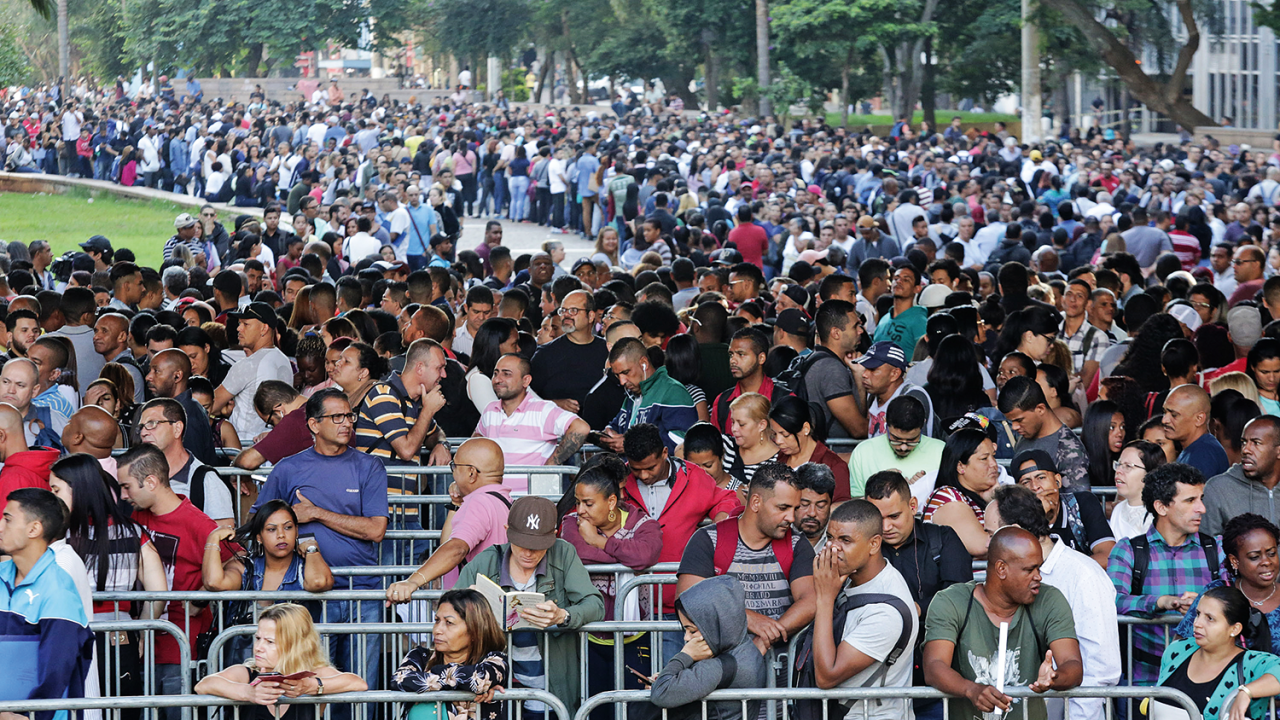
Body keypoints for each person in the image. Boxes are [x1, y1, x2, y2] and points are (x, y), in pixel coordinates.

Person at [250, 388, 389, 694]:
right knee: (308, 686)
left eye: (349, 416)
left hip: (361, 592)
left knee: (360, 689)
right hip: (304, 593)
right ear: (314, 425)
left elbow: (376, 530)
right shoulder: (288, 468)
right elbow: (261, 523)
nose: (346, 423)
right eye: (336, 417)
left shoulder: (369, 466)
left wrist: (315, 513)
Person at [454, 496, 605, 715]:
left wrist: (563, 616)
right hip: (499, 687)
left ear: (553, 537)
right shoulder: (485, 562)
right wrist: (471, 608)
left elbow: (595, 604)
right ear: (507, 531)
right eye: (522, 544)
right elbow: (451, 613)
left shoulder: (563, 554)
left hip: (555, 683)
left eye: (537, 546)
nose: (528, 553)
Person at [118, 444, 236, 717]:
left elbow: (238, 563)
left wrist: (203, 593)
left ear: (150, 482)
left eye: (127, 487)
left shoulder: (197, 522)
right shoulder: (137, 515)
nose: (124, 496)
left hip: (182, 648)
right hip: (143, 646)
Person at [984, 485, 1121, 720]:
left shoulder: (1083, 575)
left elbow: (1100, 667)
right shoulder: (1004, 574)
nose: (987, 544)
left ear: (1014, 531)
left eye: (991, 534)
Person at [922, 526, 1084, 720]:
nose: (1038, 576)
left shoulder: (1049, 599)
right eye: (1029, 569)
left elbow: (1072, 664)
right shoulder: (952, 601)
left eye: (1039, 568)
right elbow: (934, 666)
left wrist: (1054, 678)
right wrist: (970, 690)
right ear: (1001, 569)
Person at [677, 463, 817, 655]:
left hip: (782, 666)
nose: (792, 517)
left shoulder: (797, 543)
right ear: (756, 502)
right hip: (722, 667)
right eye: (783, 507)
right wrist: (748, 619)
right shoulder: (709, 539)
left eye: (795, 508)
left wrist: (765, 638)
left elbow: (810, 600)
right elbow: (687, 601)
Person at [558, 455, 663, 709]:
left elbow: (647, 554)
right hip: (589, 638)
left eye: (588, 503)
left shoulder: (642, 522)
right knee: (596, 711)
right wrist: (624, 554)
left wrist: (599, 542)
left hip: (636, 639)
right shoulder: (572, 523)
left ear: (612, 501)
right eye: (578, 502)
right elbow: (576, 552)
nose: (580, 510)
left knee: (635, 710)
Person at [1108, 462, 1223, 685]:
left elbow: (1235, 600)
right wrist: (1160, 603)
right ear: (1161, 507)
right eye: (1190, 501)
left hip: (1209, 676)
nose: (1202, 508)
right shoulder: (1129, 551)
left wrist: (1203, 605)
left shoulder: (1216, 549)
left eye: (1201, 499)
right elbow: (1112, 600)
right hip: (1144, 678)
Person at [805, 499, 918, 720]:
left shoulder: (886, 612)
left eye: (845, 540)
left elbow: (827, 676)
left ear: (874, 544)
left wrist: (825, 599)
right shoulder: (848, 578)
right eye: (830, 538)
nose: (832, 548)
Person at [0, 487, 96, 720]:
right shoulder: (2, 574)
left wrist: (29, 715)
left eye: (8, 520)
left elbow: (56, 669)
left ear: (34, 529)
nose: (1, 527)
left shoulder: (59, 590)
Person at [201, 500, 334, 660]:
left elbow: (319, 582)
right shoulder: (246, 567)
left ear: (297, 531)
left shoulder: (304, 567)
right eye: (271, 529)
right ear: (259, 537)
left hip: (293, 665)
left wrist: (311, 547)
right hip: (246, 664)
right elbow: (213, 582)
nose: (281, 535)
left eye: (288, 527)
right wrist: (213, 539)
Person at [385, 438, 511, 602]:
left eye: (454, 466)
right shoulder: (505, 501)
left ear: (471, 473)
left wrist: (412, 581)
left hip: (471, 608)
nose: (452, 472)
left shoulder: (478, 503)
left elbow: (456, 548)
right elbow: (448, 543)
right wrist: (456, 504)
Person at [195, 603, 367, 718]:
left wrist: (310, 686)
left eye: (269, 642)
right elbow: (203, 685)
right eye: (258, 638)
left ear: (295, 644)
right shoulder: (247, 673)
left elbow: (358, 683)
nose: (258, 647)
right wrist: (248, 693)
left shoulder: (313, 673)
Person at [649, 574, 767, 720]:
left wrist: (685, 655)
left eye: (692, 630)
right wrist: (671, 676)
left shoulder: (716, 667)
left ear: (714, 624)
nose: (686, 638)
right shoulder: (747, 650)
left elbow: (661, 693)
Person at [1156, 586, 1280, 720]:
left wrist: (1246, 692)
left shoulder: (1251, 663)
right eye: (1198, 614)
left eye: (1210, 618)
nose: (1197, 623)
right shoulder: (1178, 649)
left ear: (1235, 629)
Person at [475, 353, 591, 490]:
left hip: (532, 502)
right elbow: (476, 442)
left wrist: (551, 465)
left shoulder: (542, 410)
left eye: (506, 374)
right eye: (496, 373)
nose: (497, 379)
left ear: (526, 381)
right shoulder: (490, 410)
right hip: (494, 499)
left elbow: (581, 428)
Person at [391, 589, 508, 720]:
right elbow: (399, 679)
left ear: (475, 630)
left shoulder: (495, 660)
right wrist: (461, 683)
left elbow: (478, 679)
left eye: (449, 623)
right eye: (437, 620)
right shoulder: (421, 656)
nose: (437, 630)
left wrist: (427, 679)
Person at [1174, 513, 1280, 651]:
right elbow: (1181, 649)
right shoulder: (1216, 593)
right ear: (1234, 561)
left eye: (1271, 553)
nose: (1266, 562)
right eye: (1254, 557)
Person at [136, 398, 235, 526]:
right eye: (141, 427)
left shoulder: (206, 482)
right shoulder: (135, 477)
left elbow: (223, 540)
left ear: (177, 428)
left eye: (153, 423)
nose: (144, 432)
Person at [1009, 449, 1115, 566]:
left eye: (1041, 477)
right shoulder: (1014, 516)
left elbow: (1108, 555)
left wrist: (1065, 574)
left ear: (1057, 481)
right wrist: (1038, 518)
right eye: (1026, 482)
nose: (1035, 487)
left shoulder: (1081, 503)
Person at [210, 302, 294, 444]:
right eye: (239, 323)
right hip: (273, 445)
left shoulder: (249, 364)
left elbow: (210, 404)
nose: (238, 328)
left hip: (245, 446)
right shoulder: (282, 359)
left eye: (246, 324)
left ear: (264, 328)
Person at [600, 337, 697, 454]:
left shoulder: (673, 391)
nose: (622, 381)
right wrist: (608, 433)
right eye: (617, 375)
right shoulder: (631, 396)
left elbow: (681, 441)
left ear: (644, 363)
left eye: (626, 372)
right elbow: (616, 425)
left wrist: (632, 445)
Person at [998, 376, 1090, 488]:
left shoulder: (1069, 450)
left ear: (1040, 409)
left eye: (1019, 420)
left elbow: (1078, 502)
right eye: (1012, 421)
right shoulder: (1025, 437)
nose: (1015, 427)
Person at [850, 396, 945, 503]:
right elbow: (854, 503)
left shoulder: (941, 451)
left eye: (912, 440)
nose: (903, 447)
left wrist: (925, 487)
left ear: (923, 425)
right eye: (896, 439)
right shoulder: (863, 452)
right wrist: (879, 487)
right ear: (885, 423)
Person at [923, 428, 1000, 558]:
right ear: (960, 466)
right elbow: (982, 546)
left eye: (993, 456)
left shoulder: (977, 497)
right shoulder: (948, 497)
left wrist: (993, 500)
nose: (993, 464)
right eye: (984, 458)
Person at [530, 289, 608, 411]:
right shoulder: (545, 354)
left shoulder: (607, 351)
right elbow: (526, 400)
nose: (566, 315)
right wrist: (554, 405)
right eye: (563, 310)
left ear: (591, 316)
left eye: (573, 310)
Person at [1203, 415, 1280, 536]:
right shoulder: (1217, 489)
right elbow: (1207, 548)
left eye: (1256, 443)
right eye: (1244, 442)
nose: (1245, 450)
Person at [144, 348, 217, 466]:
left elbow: (190, 467)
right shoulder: (186, 409)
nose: (148, 377)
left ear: (177, 376)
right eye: (150, 370)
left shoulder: (188, 414)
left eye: (156, 371)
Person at [771, 397, 852, 502]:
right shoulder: (782, 457)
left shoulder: (834, 465)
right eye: (774, 434)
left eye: (785, 435)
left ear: (805, 429)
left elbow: (841, 507)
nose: (778, 441)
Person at [859, 340, 935, 438]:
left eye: (872, 369)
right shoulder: (873, 395)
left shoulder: (913, 397)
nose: (864, 374)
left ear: (894, 374)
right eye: (865, 368)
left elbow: (914, 447)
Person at [232, 381, 312, 470]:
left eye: (272, 423)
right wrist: (273, 436)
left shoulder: (294, 420)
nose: (275, 428)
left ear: (279, 411)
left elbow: (247, 461)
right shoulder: (319, 405)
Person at [1164, 383, 1230, 479]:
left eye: (1174, 415)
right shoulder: (1197, 449)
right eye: (1164, 412)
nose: (1164, 420)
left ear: (1199, 419)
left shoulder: (1203, 455)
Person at [1110, 440, 1166, 540]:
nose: (1118, 471)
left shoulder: (1159, 515)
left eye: (1128, 466)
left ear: (1150, 474)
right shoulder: (1118, 509)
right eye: (1118, 464)